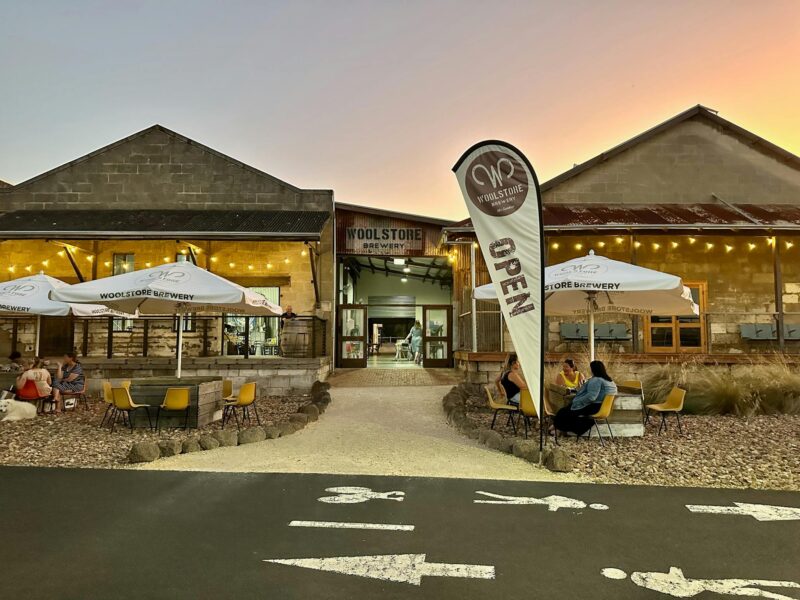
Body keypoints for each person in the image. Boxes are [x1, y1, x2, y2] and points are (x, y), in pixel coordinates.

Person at [553, 360, 617, 437]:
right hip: (604, 408)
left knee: (563, 411)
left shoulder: (596, 380)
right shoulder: (610, 381)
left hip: (595, 407)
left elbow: (591, 397)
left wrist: (577, 401)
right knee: (568, 410)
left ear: (593, 369)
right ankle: (556, 428)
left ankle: (557, 429)